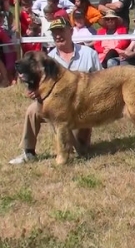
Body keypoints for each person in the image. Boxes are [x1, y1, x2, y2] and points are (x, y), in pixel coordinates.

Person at [9, 17, 102, 164]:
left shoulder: (89, 54)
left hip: (81, 107)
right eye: (54, 32)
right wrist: (35, 92)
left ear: (71, 31)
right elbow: (38, 84)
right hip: (55, 105)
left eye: (61, 30)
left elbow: (100, 81)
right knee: (33, 110)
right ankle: (28, 152)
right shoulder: (47, 59)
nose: (58, 35)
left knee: (81, 151)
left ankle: (75, 144)